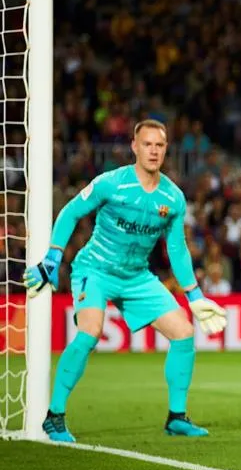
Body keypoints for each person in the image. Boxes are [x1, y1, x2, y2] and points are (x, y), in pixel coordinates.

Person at [24, 119, 227, 442]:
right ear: (134, 147)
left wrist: (196, 296)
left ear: (166, 150)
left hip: (136, 277)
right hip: (96, 270)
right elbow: (70, 212)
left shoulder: (172, 198)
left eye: (159, 146)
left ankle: (177, 417)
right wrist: (53, 256)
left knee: (184, 333)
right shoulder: (112, 183)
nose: (153, 151)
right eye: (147, 144)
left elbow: (177, 248)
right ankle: (55, 416)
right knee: (90, 332)